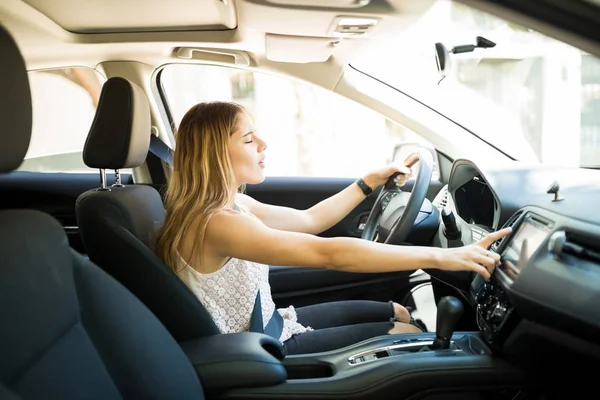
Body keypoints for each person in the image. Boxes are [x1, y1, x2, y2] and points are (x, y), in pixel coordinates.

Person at [154, 101, 511, 355]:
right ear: (215, 154)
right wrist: (444, 256)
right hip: (256, 348)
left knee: (398, 312)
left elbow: (310, 221)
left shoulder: (234, 204)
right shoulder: (217, 223)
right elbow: (327, 252)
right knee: (405, 334)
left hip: (269, 323)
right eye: (248, 140)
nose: (263, 144)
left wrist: (367, 183)